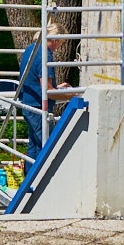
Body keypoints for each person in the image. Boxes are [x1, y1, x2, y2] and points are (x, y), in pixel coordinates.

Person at [18, 22, 77, 162]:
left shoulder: (31, 49)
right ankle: (40, 183)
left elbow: (34, 79)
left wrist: (58, 87)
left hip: (28, 105)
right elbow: (48, 91)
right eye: (61, 44)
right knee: (45, 148)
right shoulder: (45, 56)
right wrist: (71, 95)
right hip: (39, 109)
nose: (59, 48)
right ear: (55, 40)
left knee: (34, 147)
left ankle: (29, 181)